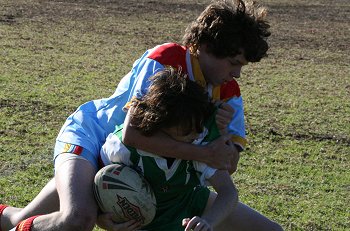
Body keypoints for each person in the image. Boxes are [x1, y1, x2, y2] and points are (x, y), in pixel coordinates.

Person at [0, 0, 275, 230]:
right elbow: (133, 134)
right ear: (205, 47)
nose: (237, 72)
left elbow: (228, 164)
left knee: (22, 218)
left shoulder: (229, 92)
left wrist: (222, 134)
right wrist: (204, 153)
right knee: (77, 218)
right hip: (96, 137)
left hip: (136, 163)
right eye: (233, 62)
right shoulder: (167, 60)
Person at [99, 68, 239, 231]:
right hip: (142, 221)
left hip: (188, 201)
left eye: (199, 125)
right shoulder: (123, 149)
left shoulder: (200, 141)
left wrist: (207, 222)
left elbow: (229, 192)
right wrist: (98, 216)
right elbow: (95, 182)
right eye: (187, 130)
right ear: (160, 123)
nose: (196, 134)